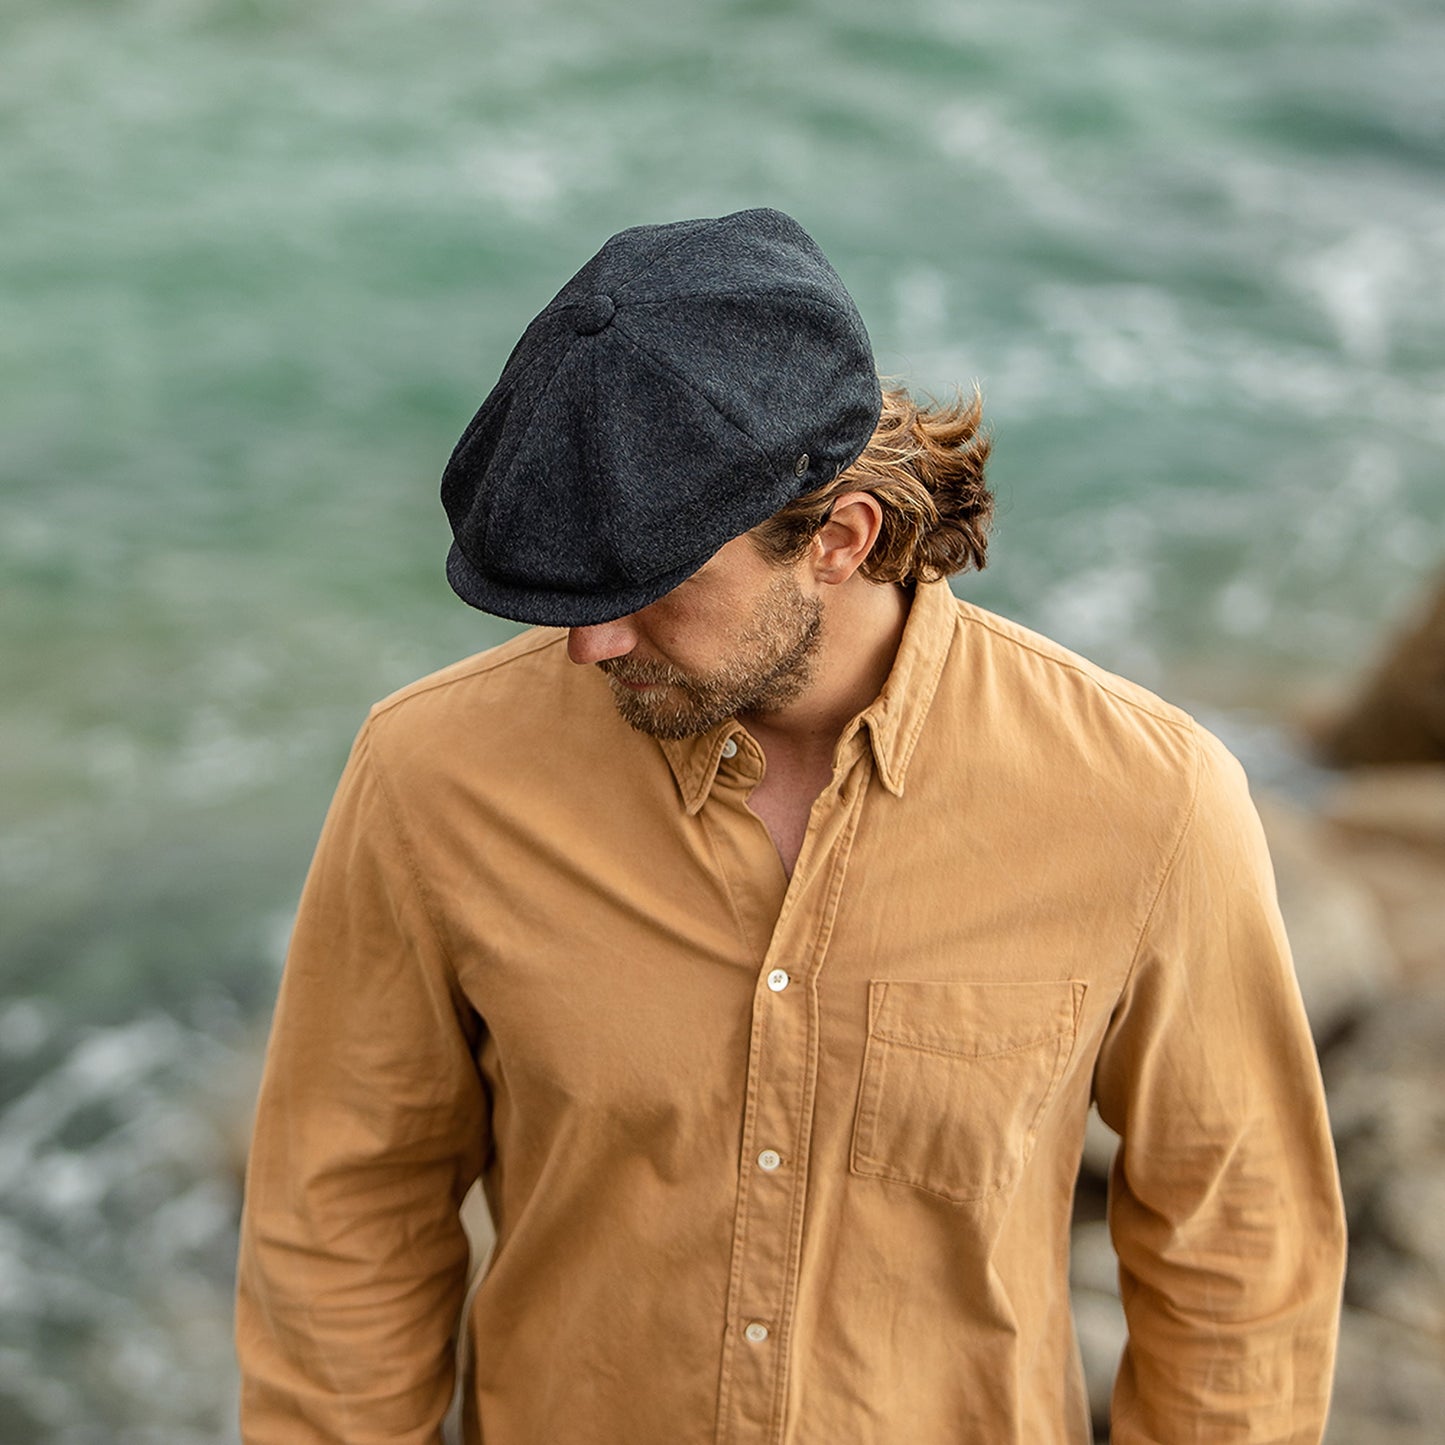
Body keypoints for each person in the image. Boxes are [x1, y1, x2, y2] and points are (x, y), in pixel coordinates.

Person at [235, 208, 1346, 1444]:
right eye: (574, 585)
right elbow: (346, 1211)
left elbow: (1236, 1248)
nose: (590, 643)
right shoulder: (431, 777)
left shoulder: (1147, 802)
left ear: (838, 538)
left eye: (650, 585)